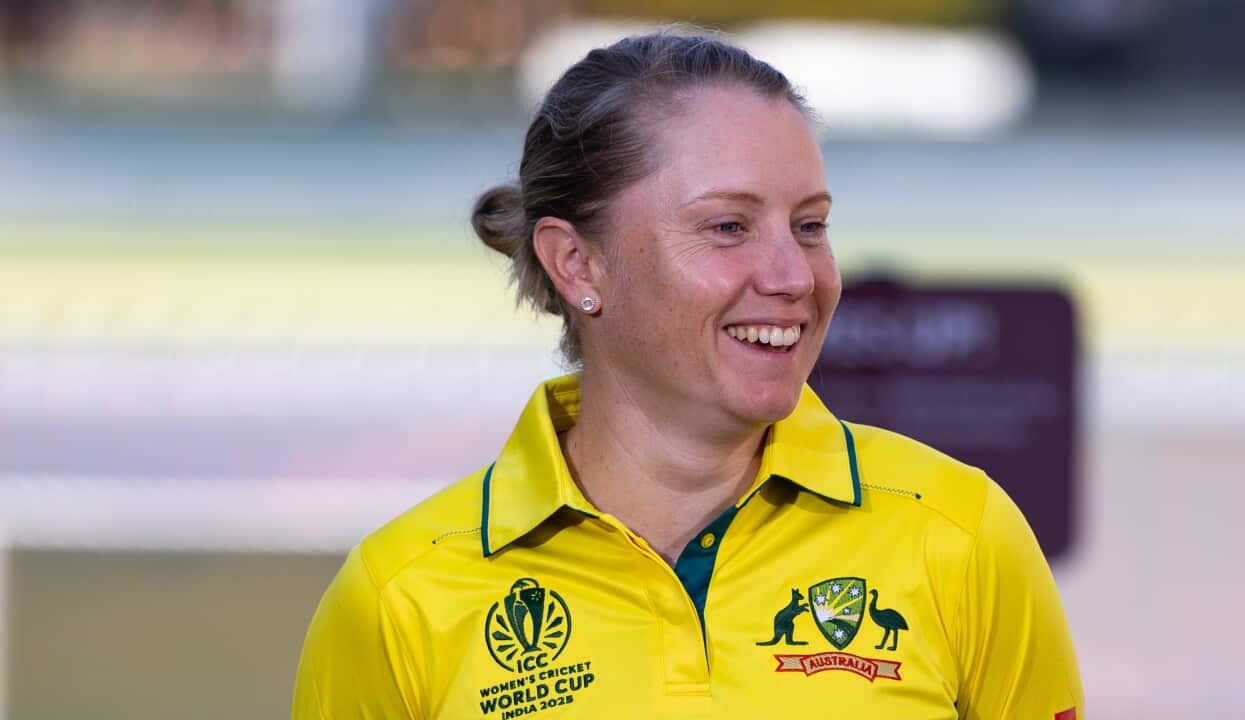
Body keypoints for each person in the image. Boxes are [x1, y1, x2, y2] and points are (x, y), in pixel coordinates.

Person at [292, 30, 1084, 719]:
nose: (792, 275)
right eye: (728, 226)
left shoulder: (961, 536)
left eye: (810, 226)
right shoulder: (399, 593)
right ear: (575, 262)